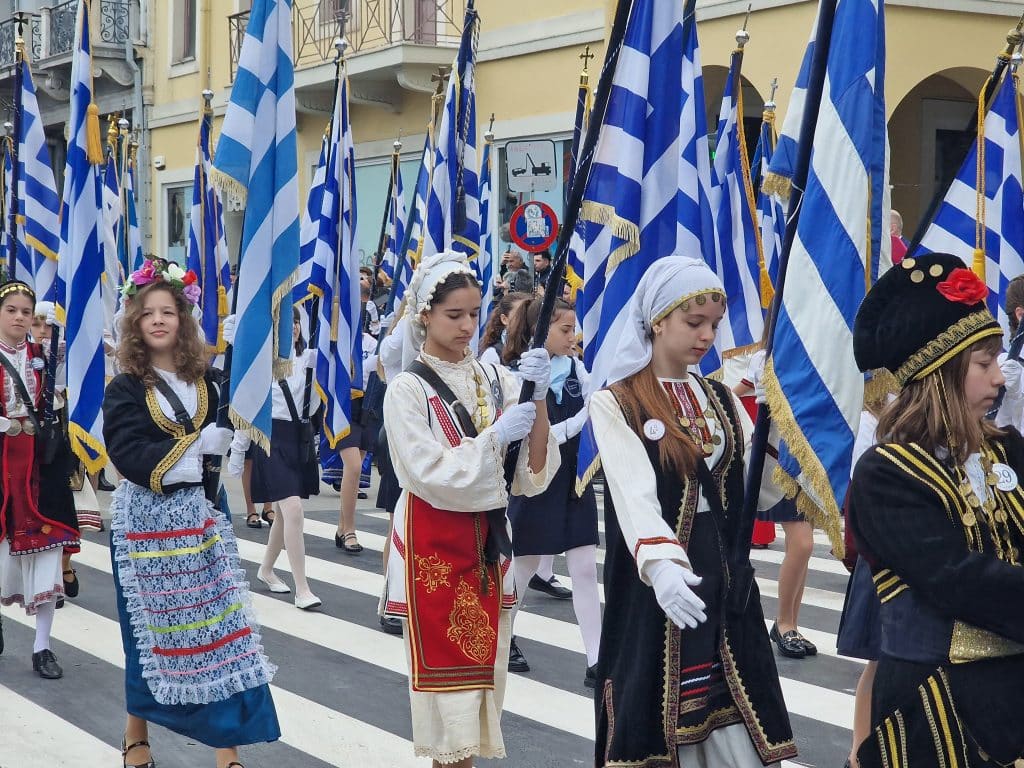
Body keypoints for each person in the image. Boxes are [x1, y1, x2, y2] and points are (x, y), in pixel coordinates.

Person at [589, 256, 796, 767]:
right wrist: (661, 566)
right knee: (655, 699)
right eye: (693, 322)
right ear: (658, 320)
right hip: (655, 574)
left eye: (713, 326)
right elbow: (632, 491)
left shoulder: (721, 397)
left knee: (736, 698)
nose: (706, 336)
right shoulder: (617, 401)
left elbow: (759, 495)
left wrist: (773, 429)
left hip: (722, 570)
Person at [381, 251, 559, 767]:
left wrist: (539, 397)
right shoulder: (406, 389)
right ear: (425, 315)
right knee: (450, 693)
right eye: (453, 314)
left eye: (473, 313)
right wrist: (494, 439)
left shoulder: (491, 377)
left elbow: (531, 469)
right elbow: (427, 472)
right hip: (436, 543)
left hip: (487, 542)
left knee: (485, 681)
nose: (465, 325)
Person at [849, 252, 1024, 767]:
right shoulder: (886, 473)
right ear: (942, 373)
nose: (999, 379)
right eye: (983, 365)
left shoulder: (1007, 448)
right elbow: (954, 577)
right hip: (935, 705)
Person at [103, 260, 279, 768]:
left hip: (204, 516)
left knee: (224, 631)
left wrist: (244, 345)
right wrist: (191, 448)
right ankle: (136, 731)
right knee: (151, 636)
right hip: (148, 527)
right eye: (148, 313)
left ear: (183, 318)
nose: (158, 320)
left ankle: (228, 750)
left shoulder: (208, 380)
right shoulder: (125, 387)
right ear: (134, 322)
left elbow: (243, 404)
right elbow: (128, 452)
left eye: (169, 311)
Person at [503, 296, 602, 687]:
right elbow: (517, 425)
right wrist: (560, 431)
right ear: (538, 330)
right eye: (563, 329)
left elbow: (593, 406)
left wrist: (571, 427)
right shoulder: (515, 373)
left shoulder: (578, 368)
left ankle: (597, 657)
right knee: (524, 564)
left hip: (573, 479)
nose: (572, 336)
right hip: (535, 477)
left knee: (583, 568)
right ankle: (502, 635)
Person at [0, 280, 80, 680]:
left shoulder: (46, 356)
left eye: (26, 312)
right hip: (1, 466)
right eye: (11, 309)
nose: (19, 317)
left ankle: (42, 646)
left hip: (41, 468)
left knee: (48, 552)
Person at [226, 307, 322, 610]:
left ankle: (266, 569)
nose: (292, 328)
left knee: (284, 514)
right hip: (271, 440)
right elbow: (248, 407)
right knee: (293, 511)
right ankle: (302, 588)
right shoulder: (264, 364)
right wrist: (239, 452)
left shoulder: (310, 359)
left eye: (295, 323)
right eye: (285, 323)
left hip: (299, 438)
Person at [478, 292, 530, 367]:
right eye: (520, 315)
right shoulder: (492, 355)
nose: (525, 320)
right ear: (504, 319)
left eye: (528, 314)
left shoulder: (535, 348)